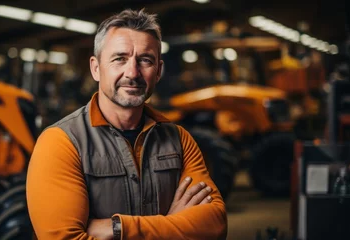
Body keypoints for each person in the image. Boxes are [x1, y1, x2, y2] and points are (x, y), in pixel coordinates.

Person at [26, 9, 227, 240]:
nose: (132, 72)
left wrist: (117, 228)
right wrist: (173, 225)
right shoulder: (60, 142)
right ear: (95, 68)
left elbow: (214, 227)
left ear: (159, 71)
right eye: (119, 58)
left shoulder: (179, 140)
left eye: (145, 60)